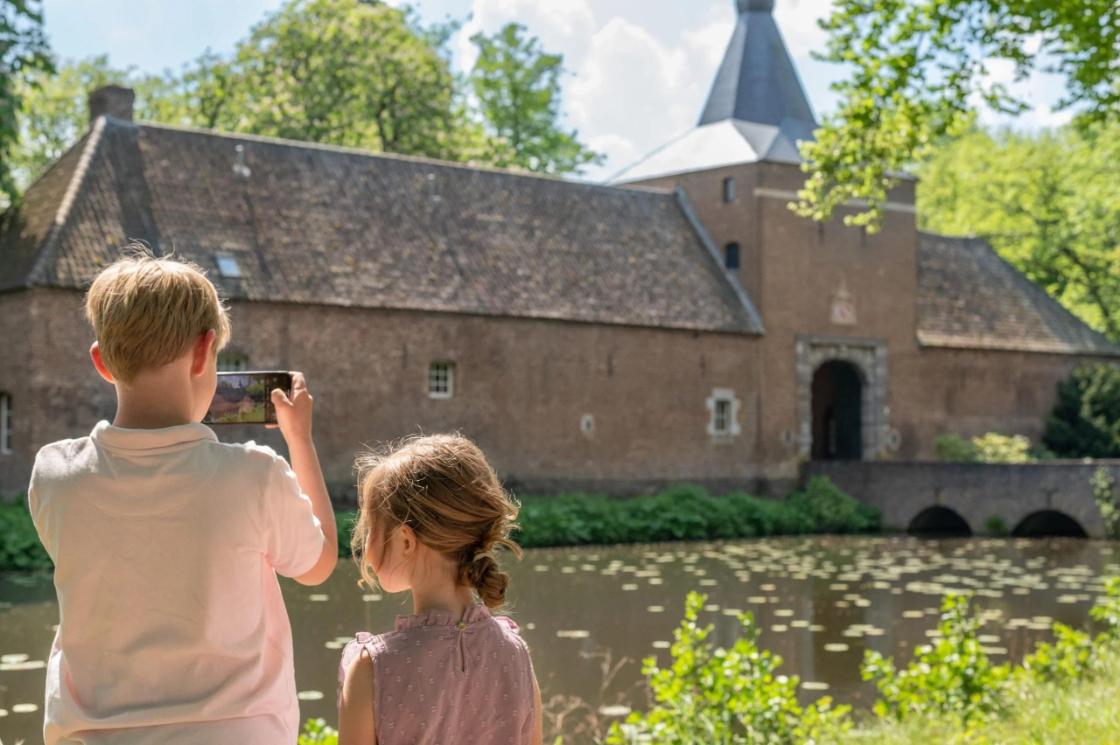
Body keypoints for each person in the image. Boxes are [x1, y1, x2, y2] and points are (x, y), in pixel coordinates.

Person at [28, 248, 338, 744]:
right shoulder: (253, 475)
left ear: (102, 362)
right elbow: (319, 562)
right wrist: (300, 439)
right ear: (203, 351)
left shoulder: (54, 474)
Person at [338, 434, 543, 745]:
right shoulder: (515, 653)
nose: (364, 550)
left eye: (370, 530)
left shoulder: (374, 668)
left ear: (405, 541)